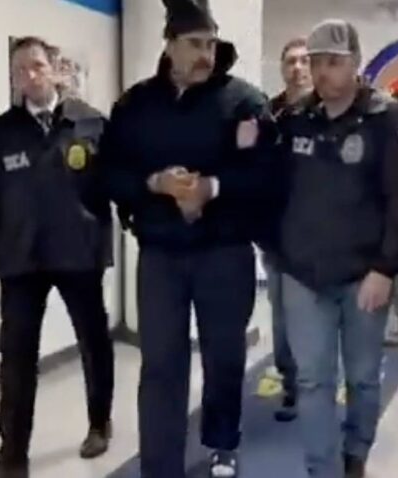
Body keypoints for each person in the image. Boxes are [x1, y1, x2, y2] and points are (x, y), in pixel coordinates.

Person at [97, 1, 277, 476]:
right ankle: (161, 466)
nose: (205, 55)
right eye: (195, 44)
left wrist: (210, 188)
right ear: (170, 44)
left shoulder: (244, 102)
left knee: (224, 356)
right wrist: (154, 184)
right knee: (160, 365)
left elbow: (266, 174)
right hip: (161, 254)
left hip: (225, 251)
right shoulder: (135, 105)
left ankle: (222, 440)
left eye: (212, 44)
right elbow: (109, 173)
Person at [0, 36, 115, 478]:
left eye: (37, 66)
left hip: (79, 253)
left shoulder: (91, 123)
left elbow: (117, 183)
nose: (29, 76)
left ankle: (99, 421)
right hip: (21, 258)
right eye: (20, 70)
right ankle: (12, 453)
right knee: (16, 357)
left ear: (56, 69)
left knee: (94, 342)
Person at [276, 19, 398, 478]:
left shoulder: (389, 120)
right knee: (312, 380)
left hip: (364, 277)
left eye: (333, 62)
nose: (322, 71)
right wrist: (278, 251)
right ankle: (322, 469)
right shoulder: (294, 120)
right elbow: (272, 189)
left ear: (355, 63)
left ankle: (356, 455)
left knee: (362, 378)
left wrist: (386, 268)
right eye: (316, 62)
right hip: (304, 276)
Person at [263, 36, 312, 423]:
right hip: (277, 236)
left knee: (317, 318)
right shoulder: (269, 113)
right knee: (282, 319)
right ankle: (292, 386)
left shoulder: (327, 111)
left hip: (319, 236)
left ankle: (317, 386)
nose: (297, 68)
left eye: (303, 61)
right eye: (290, 61)